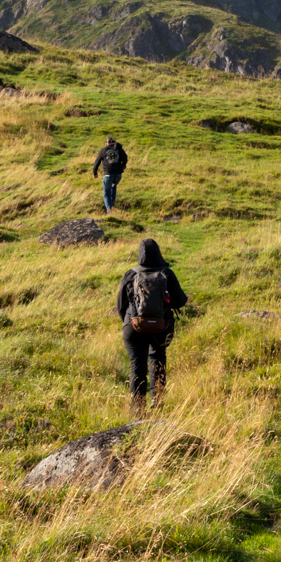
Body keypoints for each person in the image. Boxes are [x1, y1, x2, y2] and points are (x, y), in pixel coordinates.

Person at [117, 238, 187, 414]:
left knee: (137, 366)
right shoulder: (167, 274)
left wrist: (130, 321)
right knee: (158, 358)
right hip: (161, 326)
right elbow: (181, 301)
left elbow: (120, 305)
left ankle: (137, 409)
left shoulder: (130, 274)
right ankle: (158, 401)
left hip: (133, 326)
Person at [92, 135, 128, 214]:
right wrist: (122, 167)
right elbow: (125, 159)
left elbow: (96, 162)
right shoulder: (119, 149)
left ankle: (109, 210)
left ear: (106, 144)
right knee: (113, 188)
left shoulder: (103, 150)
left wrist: (95, 173)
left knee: (107, 194)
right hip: (118, 175)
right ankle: (112, 206)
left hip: (108, 174)